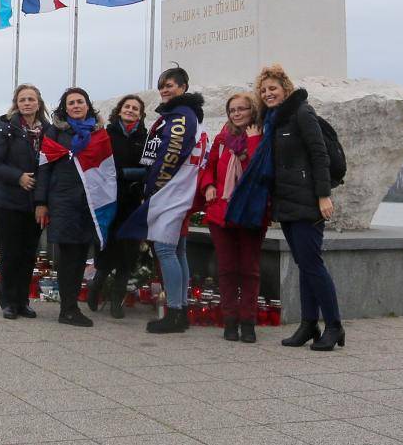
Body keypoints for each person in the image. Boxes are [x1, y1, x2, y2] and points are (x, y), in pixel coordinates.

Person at [252, 64, 345, 351]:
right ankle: (308, 324)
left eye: (273, 88)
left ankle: (334, 326)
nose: (268, 93)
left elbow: (319, 154)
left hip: (307, 201)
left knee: (312, 264)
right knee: (304, 264)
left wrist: (323, 196)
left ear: (285, 88)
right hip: (286, 200)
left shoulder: (302, 112)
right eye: (264, 90)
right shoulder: (274, 120)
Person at [134, 67, 205, 335]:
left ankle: (175, 312)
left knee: (165, 250)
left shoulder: (179, 116)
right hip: (180, 191)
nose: (165, 90)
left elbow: (170, 156)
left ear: (184, 87)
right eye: (162, 85)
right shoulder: (186, 115)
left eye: (171, 85)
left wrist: (153, 189)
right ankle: (181, 309)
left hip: (171, 192)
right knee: (178, 251)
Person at [36, 86, 107, 328]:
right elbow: (44, 169)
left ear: (88, 105)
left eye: (80, 102)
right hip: (63, 202)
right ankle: (68, 309)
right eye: (71, 103)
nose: (76, 106)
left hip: (89, 204)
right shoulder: (55, 133)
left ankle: (71, 306)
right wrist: (41, 202)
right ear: (65, 109)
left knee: (80, 257)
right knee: (69, 258)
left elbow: (106, 171)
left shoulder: (99, 134)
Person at [205, 91, 265, 342]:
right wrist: (208, 186)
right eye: (233, 110)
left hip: (250, 211)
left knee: (249, 270)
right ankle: (229, 320)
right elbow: (209, 167)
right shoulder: (222, 138)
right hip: (222, 211)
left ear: (252, 111)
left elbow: (259, 170)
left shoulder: (261, 136)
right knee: (227, 268)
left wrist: (252, 141)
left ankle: (248, 322)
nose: (237, 113)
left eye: (242, 109)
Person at [0, 84, 47, 320]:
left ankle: (23, 301)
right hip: (9, 201)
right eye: (22, 99)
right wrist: (18, 177)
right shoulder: (6, 130)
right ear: (16, 104)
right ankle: (8, 301)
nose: (27, 103)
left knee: (29, 253)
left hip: (35, 203)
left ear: (39, 103)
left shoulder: (48, 131)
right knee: (11, 253)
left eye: (31, 99)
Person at [91, 94, 147, 318]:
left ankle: (117, 300)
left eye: (135, 108)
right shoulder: (107, 134)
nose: (131, 110)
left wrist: (126, 173)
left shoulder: (145, 137)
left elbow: (148, 168)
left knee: (128, 253)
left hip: (133, 202)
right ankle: (96, 287)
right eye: (127, 106)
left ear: (141, 114)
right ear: (119, 110)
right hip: (109, 200)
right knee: (108, 249)